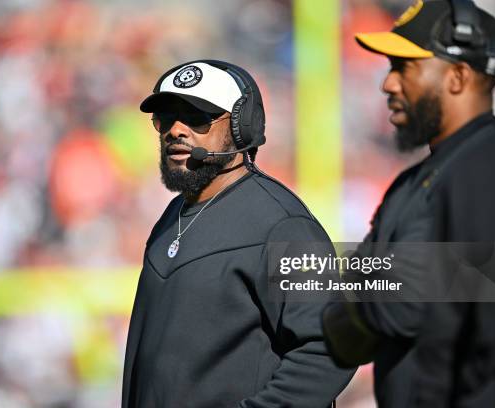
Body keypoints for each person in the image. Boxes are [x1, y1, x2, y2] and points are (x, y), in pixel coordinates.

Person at [122, 60, 354, 408]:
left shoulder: (282, 225)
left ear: (240, 126)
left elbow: (331, 347)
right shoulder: (173, 216)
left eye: (196, 116)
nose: (176, 130)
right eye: (165, 118)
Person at [321, 1, 495, 407]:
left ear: (458, 76)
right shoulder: (412, 182)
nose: (387, 83)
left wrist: (376, 287)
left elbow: (403, 305)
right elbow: (347, 330)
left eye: (404, 66)